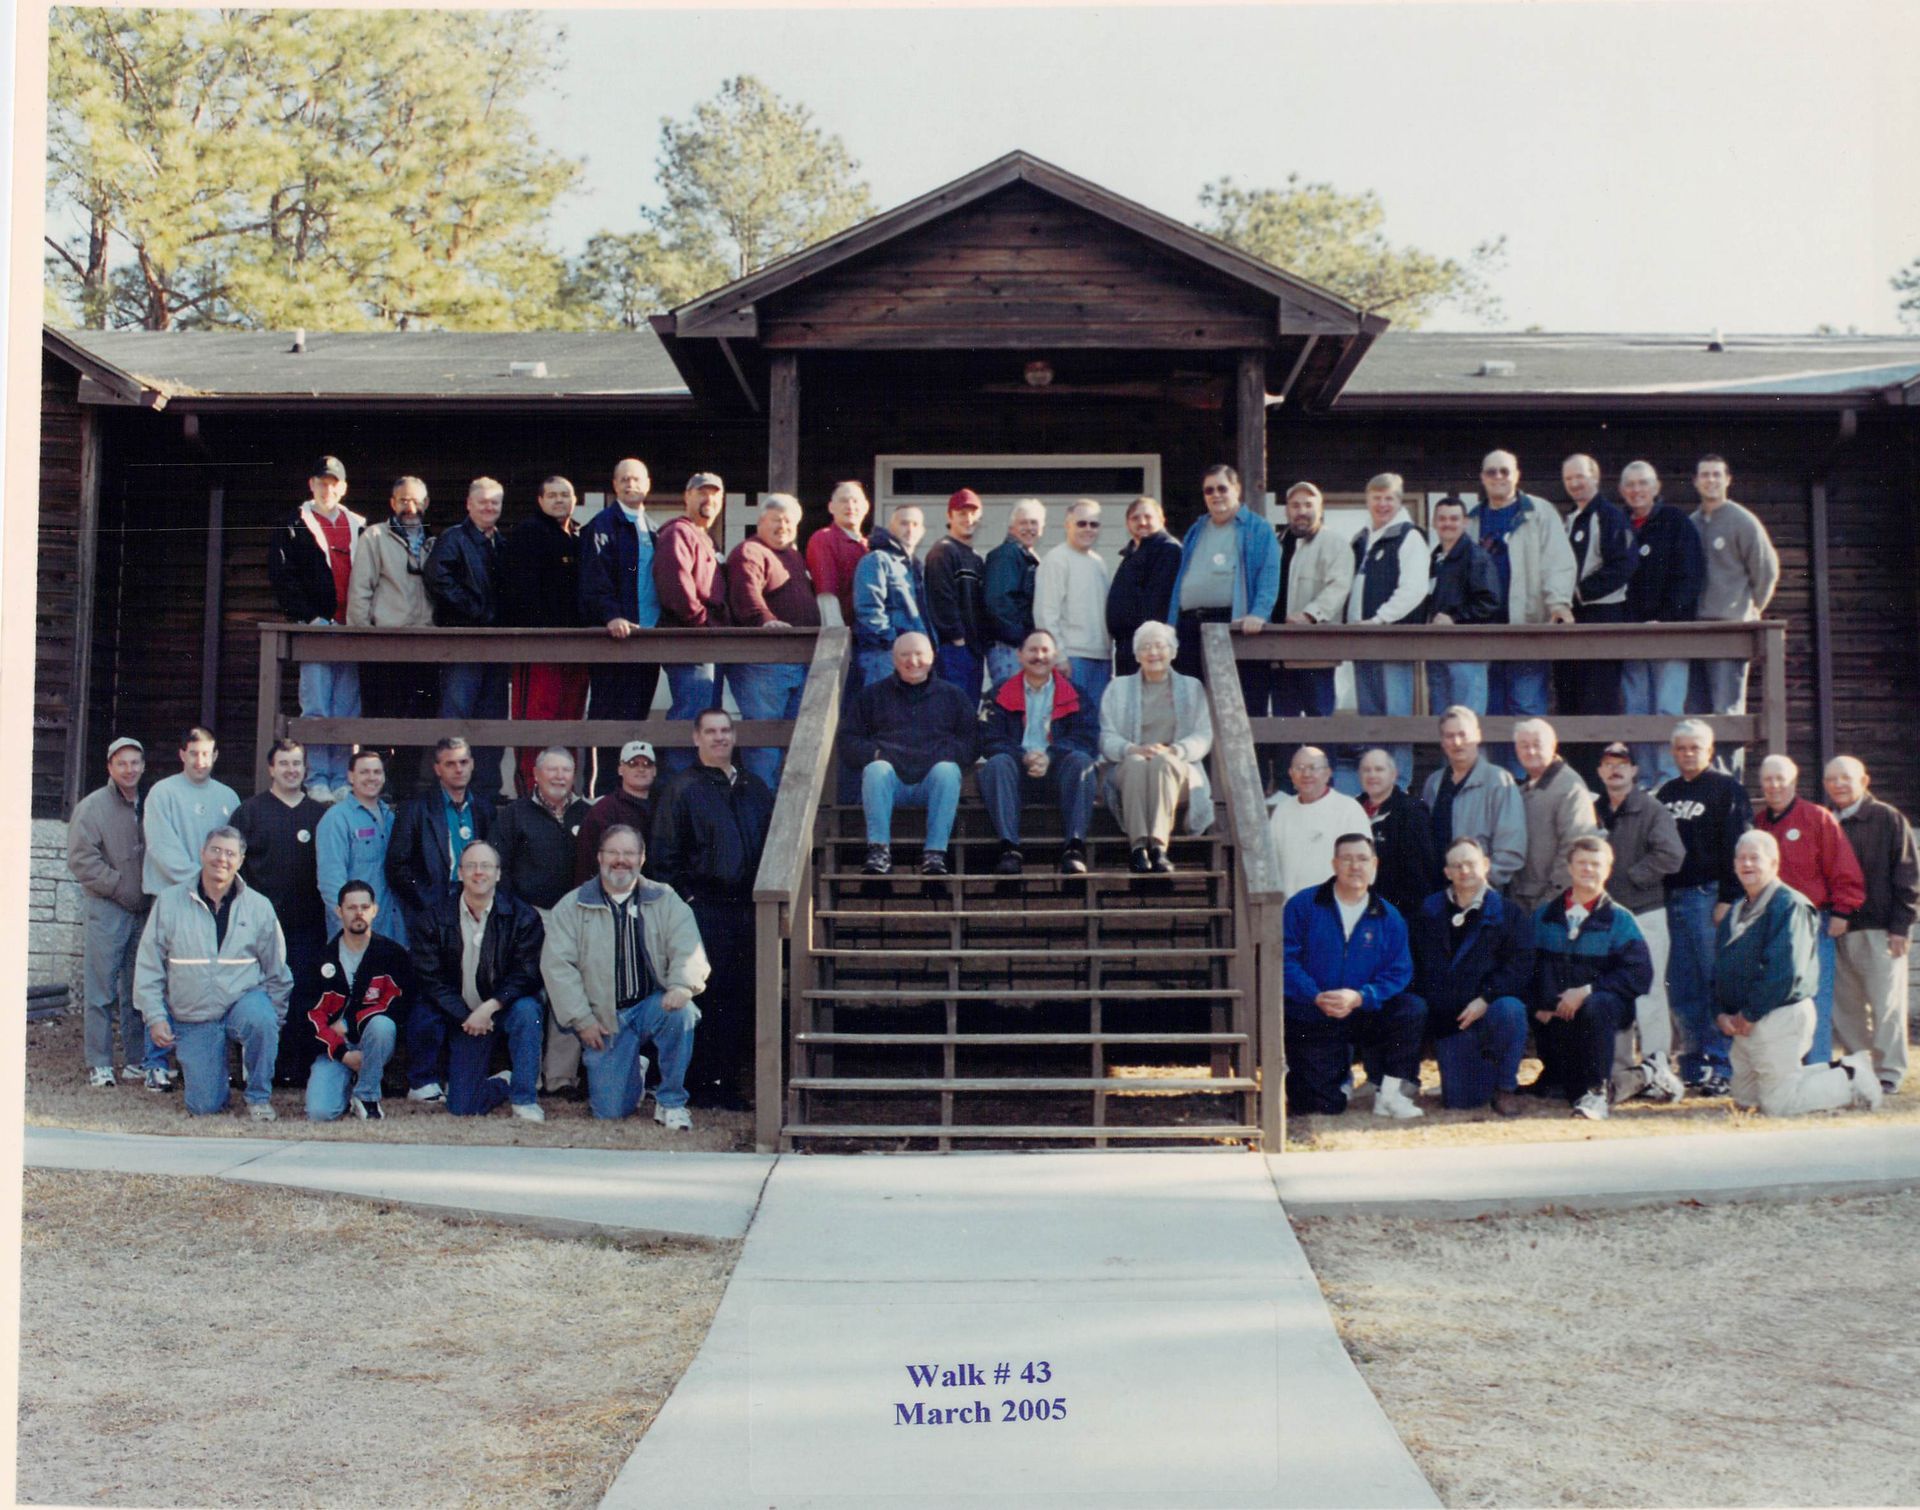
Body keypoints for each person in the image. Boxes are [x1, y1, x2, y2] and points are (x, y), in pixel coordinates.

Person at [544, 824, 710, 1128]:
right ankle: (634, 1070)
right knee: (609, 1112)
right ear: (599, 857)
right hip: (604, 1019)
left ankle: (671, 1101)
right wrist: (582, 1020)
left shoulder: (664, 898)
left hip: (651, 1007)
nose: (621, 860)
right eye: (613, 853)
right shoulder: (572, 906)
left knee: (682, 1013)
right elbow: (558, 968)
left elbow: (688, 945)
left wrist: (682, 984)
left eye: (629, 853)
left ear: (642, 858)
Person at [649, 709, 775, 1107]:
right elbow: (663, 858)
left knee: (740, 997)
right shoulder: (682, 789)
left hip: (748, 910)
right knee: (705, 995)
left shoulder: (754, 788)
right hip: (703, 910)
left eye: (725, 731)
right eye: (711, 732)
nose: (719, 738)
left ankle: (727, 1085)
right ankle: (697, 1085)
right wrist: (689, 902)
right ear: (696, 738)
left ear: (734, 736)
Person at [1714, 831, 1881, 1117]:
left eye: (1755, 858)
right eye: (1741, 858)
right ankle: (1838, 1069)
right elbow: (1721, 967)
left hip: (1779, 1013)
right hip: (1745, 1019)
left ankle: (1853, 1078)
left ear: (1774, 863)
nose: (1747, 864)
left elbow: (1785, 971)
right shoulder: (1737, 910)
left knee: (1778, 1105)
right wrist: (1721, 1012)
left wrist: (1750, 1014)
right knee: (1745, 1100)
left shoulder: (1789, 905)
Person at [133, 826, 292, 1119]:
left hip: (241, 1002)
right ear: (202, 853)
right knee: (204, 1107)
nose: (222, 859)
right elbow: (149, 965)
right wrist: (155, 1017)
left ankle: (258, 1097)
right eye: (215, 850)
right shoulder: (169, 902)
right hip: (194, 1015)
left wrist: (274, 1022)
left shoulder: (258, 907)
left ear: (241, 860)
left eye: (230, 853)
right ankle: (216, 1083)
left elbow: (277, 970)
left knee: (261, 1019)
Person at [1281, 833, 1424, 1119]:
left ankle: (1390, 1094)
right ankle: (1337, 1081)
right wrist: (1315, 995)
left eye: (1362, 859)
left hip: (1365, 1011)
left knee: (1411, 1009)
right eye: (1347, 859)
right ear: (1334, 864)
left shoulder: (1389, 916)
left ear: (1374, 865)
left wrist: (1361, 996)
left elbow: (1399, 972)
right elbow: (1284, 959)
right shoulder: (1303, 905)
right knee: (1319, 1106)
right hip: (1315, 1012)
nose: (1354, 866)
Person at [387, 736, 496, 1099]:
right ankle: (422, 1078)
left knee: (470, 984)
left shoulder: (483, 808)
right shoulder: (417, 809)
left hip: (475, 904)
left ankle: (463, 1071)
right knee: (431, 991)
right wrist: (428, 902)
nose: (458, 769)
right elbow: (398, 865)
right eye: (450, 763)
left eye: (464, 762)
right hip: (434, 908)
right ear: (437, 769)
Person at [410, 842, 545, 1120]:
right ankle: (503, 1082)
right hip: (461, 1015)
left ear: (498, 874)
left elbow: (527, 974)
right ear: (459, 873)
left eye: (486, 866)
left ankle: (524, 1098)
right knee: (463, 1108)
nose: (478, 872)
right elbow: (431, 980)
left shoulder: (523, 917)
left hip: (502, 1009)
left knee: (528, 1010)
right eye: (471, 866)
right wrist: (468, 1016)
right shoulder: (433, 918)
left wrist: (489, 1008)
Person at [1527, 835, 1653, 1120]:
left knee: (1597, 1006)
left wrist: (1586, 990)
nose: (1588, 870)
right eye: (1581, 863)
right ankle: (1647, 1075)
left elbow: (1639, 974)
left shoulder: (1621, 920)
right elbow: (1527, 966)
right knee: (1566, 1088)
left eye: (1596, 864)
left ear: (1608, 870)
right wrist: (1539, 1003)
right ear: (1569, 867)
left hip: (1601, 1009)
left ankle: (1597, 1092)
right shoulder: (1545, 917)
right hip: (1554, 1010)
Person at [1464, 449, 1576, 770]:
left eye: (1504, 471)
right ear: (1483, 478)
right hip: (1483, 630)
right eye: (1491, 472)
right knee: (1491, 712)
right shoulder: (1473, 519)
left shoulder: (1538, 512)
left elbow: (1558, 562)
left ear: (1517, 474)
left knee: (1526, 706)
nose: (1498, 478)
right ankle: (1502, 782)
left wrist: (1558, 603)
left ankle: (1528, 780)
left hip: (1526, 627)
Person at [1753, 753, 1865, 1067]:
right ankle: (1785, 1066)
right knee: (1780, 995)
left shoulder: (1816, 817)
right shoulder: (1760, 823)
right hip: (1773, 922)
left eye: (1781, 779)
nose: (1774, 785)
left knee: (1815, 995)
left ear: (1794, 781)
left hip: (1813, 919)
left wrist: (1843, 911)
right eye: (1768, 779)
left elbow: (1843, 866)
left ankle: (1817, 1066)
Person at [1658, 718, 1751, 1096]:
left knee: (1714, 981)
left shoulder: (1727, 789)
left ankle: (1723, 1064)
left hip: (1708, 896)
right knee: (1681, 985)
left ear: (1710, 751)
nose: (1687, 753)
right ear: (1672, 752)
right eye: (1681, 748)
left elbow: (1739, 844)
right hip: (1672, 899)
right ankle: (1693, 1062)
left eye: (1695, 747)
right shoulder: (1666, 793)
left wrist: (1729, 897)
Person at [495, 746, 593, 1099]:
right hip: (530, 916)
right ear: (535, 774)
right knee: (531, 995)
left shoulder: (588, 813)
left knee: (568, 995)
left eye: (565, 770)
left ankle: (560, 1078)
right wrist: (516, 915)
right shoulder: (515, 814)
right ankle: (528, 1075)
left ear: (574, 774)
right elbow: (499, 867)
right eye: (551, 770)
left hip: (574, 918)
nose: (559, 777)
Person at [1592, 742, 1688, 1104]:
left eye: (1622, 764)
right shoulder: (1596, 810)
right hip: (1608, 919)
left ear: (1634, 771)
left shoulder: (1651, 809)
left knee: (1649, 992)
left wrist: (1631, 878)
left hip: (1646, 913)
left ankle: (1656, 1066)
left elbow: (1672, 855)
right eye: (1607, 764)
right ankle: (1619, 1070)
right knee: (1614, 991)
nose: (1615, 770)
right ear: (1600, 772)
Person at [839, 632, 979, 878]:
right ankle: (879, 851)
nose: (912, 661)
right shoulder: (872, 696)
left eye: (919, 654)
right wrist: (876, 753)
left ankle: (935, 854)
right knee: (875, 770)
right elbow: (849, 740)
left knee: (948, 771)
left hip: (932, 784)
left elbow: (972, 741)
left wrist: (946, 754)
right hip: (892, 786)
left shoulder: (953, 696)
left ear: (932, 657)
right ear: (894, 659)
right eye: (905, 655)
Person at [266, 455, 365, 800]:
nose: (328, 488)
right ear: (312, 485)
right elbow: (282, 578)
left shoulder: (359, 526)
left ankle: (341, 778)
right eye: (322, 482)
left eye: (334, 483)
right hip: (316, 630)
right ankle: (317, 778)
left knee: (347, 709)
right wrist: (309, 617)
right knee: (317, 707)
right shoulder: (293, 523)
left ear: (344, 487)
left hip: (351, 631)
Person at [232, 739, 330, 1084]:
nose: (292, 770)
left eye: (297, 764)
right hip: (262, 927)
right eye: (284, 764)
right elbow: (234, 871)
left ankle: (295, 1069)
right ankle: (260, 1068)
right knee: (263, 997)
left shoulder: (319, 815)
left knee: (302, 993)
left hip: (308, 925)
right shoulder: (250, 812)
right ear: (271, 768)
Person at [1410, 837, 1531, 1115]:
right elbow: (1418, 963)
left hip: (1489, 1009)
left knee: (1511, 1009)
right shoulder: (1429, 911)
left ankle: (1505, 1087)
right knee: (1462, 1102)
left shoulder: (1509, 913)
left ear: (1486, 866)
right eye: (1457, 865)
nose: (1464, 871)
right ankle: (1475, 1076)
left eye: (1471, 864)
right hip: (1450, 1020)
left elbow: (1520, 965)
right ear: (1447, 873)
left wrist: (1486, 998)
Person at [1826, 756, 1919, 1095]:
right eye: (1832, 779)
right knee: (1846, 1008)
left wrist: (1901, 926)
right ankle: (1859, 1068)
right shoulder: (1826, 821)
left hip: (1880, 930)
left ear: (1864, 781)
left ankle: (1889, 1072)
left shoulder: (1887, 818)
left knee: (1886, 1006)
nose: (1838, 784)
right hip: (1838, 931)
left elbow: (1908, 876)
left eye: (1846, 778)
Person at [66, 736, 152, 1088]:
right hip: (108, 907)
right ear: (110, 767)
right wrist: (120, 887)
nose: (129, 769)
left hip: (144, 911)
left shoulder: (150, 803)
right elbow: (81, 860)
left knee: (137, 989)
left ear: (143, 766)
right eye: (122, 763)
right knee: (101, 990)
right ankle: (100, 1062)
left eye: (135, 763)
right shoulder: (92, 807)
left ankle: (135, 1060)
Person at [978, 629, 1100, 876]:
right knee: (997, 763)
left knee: (1082, 761)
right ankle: (1009, 849)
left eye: (1045, 650)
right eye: (1032, 650)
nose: (1039, 656)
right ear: (1020, 655)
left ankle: (1074, 849)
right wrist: (1022, 756)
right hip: (1016, 770)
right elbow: (987, 738)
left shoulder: (1077, 693)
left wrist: (1051, 756)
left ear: (1055, 655)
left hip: (1058, 772)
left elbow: (1087, 738)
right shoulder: (998, 693)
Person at [1098, 620, 1214, 875]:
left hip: (1178, 767)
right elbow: (1106, 737)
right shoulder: (1118, 688)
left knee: (1163, 763)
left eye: (1160, 646)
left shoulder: (1192, 687)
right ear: (1137, 654)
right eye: (1145, 647)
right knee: (1137, 764)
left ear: (1172, 652)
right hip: (1131, 766)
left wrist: (1176, 751)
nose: (1153, 653)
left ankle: (1158, 847)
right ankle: (1138, 847)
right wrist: (1131, 749)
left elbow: (1203, 735)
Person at [1689, 455, 1780, 778]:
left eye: (1716, 474)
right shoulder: (1693, 522)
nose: (1710, 480)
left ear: (1728, 480)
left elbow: (1766, 571)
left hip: (1729, 630)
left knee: (1726, 712)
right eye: (1704, 475)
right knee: (1697, 712)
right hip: (1695, 631)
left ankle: (1728, 780)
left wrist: (1751, 610)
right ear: (1696, 482)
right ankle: (1703, 779)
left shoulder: (1742, 521)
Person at [577, 458, 662, 796]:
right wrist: (611, 614)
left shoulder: (654, 528)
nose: (630, 485)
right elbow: (594, 580)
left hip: (648, 639)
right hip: (615, 639)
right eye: (624, 479)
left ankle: (630, 794)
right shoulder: (602, 526)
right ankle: (599, 795)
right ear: (614, 485)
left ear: (648, 484)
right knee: (607, 720)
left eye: (637, 479)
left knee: (636, 719)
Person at [1169, 466, 1279, 728]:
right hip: (1189, 627)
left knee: (1239, 707)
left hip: (1231, 625)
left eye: (1222, 488)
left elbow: (1269, 574)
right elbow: (1183, 578)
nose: (1215, 495)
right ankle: (1199, 769)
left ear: (1237, 490)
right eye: (1209, 490)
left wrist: (1259, 613)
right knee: (1193, 707)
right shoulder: (1197, 529)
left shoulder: (1257, 528)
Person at [1617, 461, 1705, 786]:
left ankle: (1668, 781)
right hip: (1630, 636)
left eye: (1643, 484)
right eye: (1630, 485)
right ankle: (1644, 780)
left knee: (1668, 709)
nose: (1637, 490)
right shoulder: (1620, 524)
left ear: (1656, 488)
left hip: (1670, 633)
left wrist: (1666, 618)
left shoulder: (1675, 523)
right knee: (1637, 711)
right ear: (1622, 491)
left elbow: (1690, 576)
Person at [726, 493, 819, 788]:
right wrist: (766, 619)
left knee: (791, 745)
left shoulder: (792, 556)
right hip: (765, 664)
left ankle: (780, 818)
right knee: (763, 749)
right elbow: (746, 594)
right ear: (761, 521)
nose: (783, 526)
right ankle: (760, 819)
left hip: (797, 663)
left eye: (789, 521)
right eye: (776, 519)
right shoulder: (750, 552)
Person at [502, 474, 586, 800]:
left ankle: (565, 795)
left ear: (574, 499)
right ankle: (531, 795)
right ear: (539, 500)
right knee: (537, 723)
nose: (559, 500)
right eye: (551, 495)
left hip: (577, 650)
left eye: (565, 495)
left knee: (569, 723)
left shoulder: (578, 536)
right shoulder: (528, 535)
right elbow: (519, 593)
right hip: (539, 647)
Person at [424, 477, 509, 796]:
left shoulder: (501, 544)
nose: (489, 507)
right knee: (456, 713)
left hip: (497, 645)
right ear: (469, 504)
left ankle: (486, 788)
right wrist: (475, 610)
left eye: (495, 502)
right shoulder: (453, 539)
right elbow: (438, 580)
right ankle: (446, 787)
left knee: (493, 717)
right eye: (483, 501)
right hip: (463, 641)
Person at [1343, 474, 1429, 787]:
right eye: (1377, 497)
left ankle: (1400, 783)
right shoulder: (1360, 540)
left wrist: (1380, 619)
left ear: (1399, 501)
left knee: (1396, 716)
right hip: (1362, 642)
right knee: (1371, 717)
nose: (1382, 504)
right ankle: (1375, 784)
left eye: (1389, 498)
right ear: (1367, 501)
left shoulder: (1409, 537)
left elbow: (1414, 589)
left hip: (1392, 640)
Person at [347, 474, 437, 771]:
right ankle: (376, 784)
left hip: (424, 646)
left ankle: (405, 788)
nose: (409, 507)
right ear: (392, 503)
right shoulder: (374, 537)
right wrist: (365, 641)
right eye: (403, 501)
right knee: (379, 720)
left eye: (415, 500)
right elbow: (360, 591)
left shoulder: (435, 541)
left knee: (418, 719)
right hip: (383, 646)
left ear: (425, 503)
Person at [300, 881, 411, 1122]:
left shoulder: (392, 955)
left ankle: (366, 1095)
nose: (358, 913)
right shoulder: (320, 959)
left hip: (375, 1043)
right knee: (320, 1113)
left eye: (364, 906)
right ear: (339, 911)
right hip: (335, 1049)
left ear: (374, 910)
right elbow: (311, 1017)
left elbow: (397, 1005)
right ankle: (347, 1084)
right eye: (351, 907)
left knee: (383, 1025)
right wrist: (342, 1053)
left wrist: (350, 1022)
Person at [653, 472, 729, 765]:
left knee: (707, 718)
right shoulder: (678, 533)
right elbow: (676, 587)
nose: (708, 499)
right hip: (690, 641)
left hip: (709, 643)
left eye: (714, 494)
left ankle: (699, 784)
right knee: (691, 716)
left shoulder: (707, 539)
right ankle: (679, 787)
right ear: (687, 497)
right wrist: (703, 623)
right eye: (701, 493)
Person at [1556, 453, 1637, 725]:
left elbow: (1624, 563)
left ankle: (1596, 767)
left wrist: (1581, 592)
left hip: (1602, 618)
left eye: (1580, 476)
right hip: (1570, 621)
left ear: (1595, 477)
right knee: (1570, 700)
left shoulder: (1609, 516)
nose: (1574, 483)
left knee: (1598, 701)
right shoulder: (1569, 520)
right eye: (1569, 478)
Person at [1271, 482, 1353, 721]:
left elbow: (1339, 587)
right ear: (1287, 510)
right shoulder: (1277, 543)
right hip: (1278, 652)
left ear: (1320, 508)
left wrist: (1310, 615)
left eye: (1308, 504)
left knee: (1320, 720)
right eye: (1295, 505)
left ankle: (1325, 761)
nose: (1302, 510)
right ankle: (1288, 761)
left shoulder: (1334, 543)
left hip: (1316, 651)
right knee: (1284, 722)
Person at [1419, 707, 1525, 891]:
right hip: (1441, 893)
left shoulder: (1498, 781)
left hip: (1482, 892)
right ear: (1442, 742)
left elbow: (1511, 849)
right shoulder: (1434, 783)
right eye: (1449, 736)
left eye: (1463, 734)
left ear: (1477, 736)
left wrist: (1480, 885)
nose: (1457, 742)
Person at [1509, 719, 1600, 916]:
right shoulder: (1524, 787)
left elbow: (1576, 847)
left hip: (1552, 903)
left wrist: (1550, 900)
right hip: (1523, 898)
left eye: (1537, 745)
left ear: (1553, 745)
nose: (1530, 751)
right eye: (1524, 746)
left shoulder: (1569, 787)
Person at [316, 750, 405, 946]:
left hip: (393, 931)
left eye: (377, 772)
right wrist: (351, 928)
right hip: (356, 935)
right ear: (350, 776)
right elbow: (331, 883)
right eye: (364, 772)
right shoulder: (336, 819)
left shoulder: (391, 818)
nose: (371, 778)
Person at [1422, 495, 1500, 716]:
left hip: (1467, 652)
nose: (1448, 523)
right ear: (1434, 523)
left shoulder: (1477, 557)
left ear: (1465, 522)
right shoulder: (1435, 557)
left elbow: (1489, 601)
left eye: (1454, 518)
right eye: (1442, 518)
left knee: (1467, 721)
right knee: (1442, 719)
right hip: (1437, 650)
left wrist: (1455, 619)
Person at [142, 727, 240, 900]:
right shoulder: (163, 793)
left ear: (215, 756)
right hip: (170, 896)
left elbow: (234, 848)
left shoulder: (229, 797)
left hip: (214, 896)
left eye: (206, 754)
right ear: (182, 755)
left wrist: (214, 884)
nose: (200, 761)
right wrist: (201, 881)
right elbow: (161, 846)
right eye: (194, 753)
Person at [1034, 499, 1114, 709]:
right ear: (1067, 525)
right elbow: (1046, 612)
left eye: (1093, 524)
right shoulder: (1056, 560)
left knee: (1096, 724)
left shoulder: (1098, 562)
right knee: (1071, 723)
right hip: (1072, 658)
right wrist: (1058, 656)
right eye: (1081, 523)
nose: (1088, 529)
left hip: (1101, 657)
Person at [1267, 746, 1370, 902]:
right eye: (1299, 768)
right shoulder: (1282, 811)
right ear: (1291, 774)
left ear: (1327, 773)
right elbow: (1272, 866)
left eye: (1313, 768)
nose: (1306, 774)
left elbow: (1364, 869)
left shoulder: (1349, 810)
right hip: (1291, 914)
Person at [851, 502, 930, 687]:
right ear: (891, 528)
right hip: (883, 656)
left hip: (913, 658)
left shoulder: (917, 567)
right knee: (882, 713)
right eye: (904, 523)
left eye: (915, 524)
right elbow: (868, 608)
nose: (910, 529)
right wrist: (892, 642)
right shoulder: (877, 560)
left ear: (922, 531)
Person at [1356, 748, 1438, 923]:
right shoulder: (1351, 809)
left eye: (1379, 769)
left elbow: (1421, 873)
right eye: (1366, 770)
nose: (1372, 775)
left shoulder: (1412, 811)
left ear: (1393, 775)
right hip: (1357, 912)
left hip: (1399, 915)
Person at [1105, 496, 1181, 679]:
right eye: (1135, 518)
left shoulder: (1167, 550)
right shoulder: (1133, 553)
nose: (1142, 522)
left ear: (1161, 520)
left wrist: (1146, 642)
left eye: (1148, 516)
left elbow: (1158, 602)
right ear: (1127, 523)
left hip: (1149, 649)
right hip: (1127, 647)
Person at [924, 488, 991, 694]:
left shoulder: (975, 558)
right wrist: (957, 639)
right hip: (953, 650)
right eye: (962, 513)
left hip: (973, 650)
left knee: (968, 712)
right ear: (949, 516)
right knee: (953, 709)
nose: (968, 518)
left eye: (973, 513)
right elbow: (941, 598)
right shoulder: (943, 551)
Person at [982, 499, 1046, 687]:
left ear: (1042, 528)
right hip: (1008, 650)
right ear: (1011, 528)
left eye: (1034, 523)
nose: (1029, 528)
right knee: (1012, 707)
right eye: (1023, 523)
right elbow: (997, 602)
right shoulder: (1006, 555)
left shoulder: (1027, 556)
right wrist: (1023, 640)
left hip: (1017, 646)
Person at [578, 741, 658, 880]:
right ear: (620, 769)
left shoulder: (665, 806)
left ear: (654, 771)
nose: (640, 769)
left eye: (647, 764)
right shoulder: (603, 811)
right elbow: (586, 863)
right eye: (632, 764)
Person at [805, 479, 871, 629]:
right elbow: (826, 592)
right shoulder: (824, 539)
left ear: (866, 507)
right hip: (842, 631)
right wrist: (836, 632)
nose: (850, 506)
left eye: (855, 501)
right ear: (831, 507)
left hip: (867, 632)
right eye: (843, 501)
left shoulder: (868, 546)